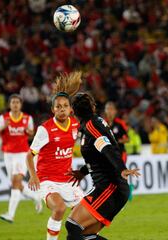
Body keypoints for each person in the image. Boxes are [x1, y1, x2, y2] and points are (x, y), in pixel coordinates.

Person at [65, 92, 140, 240]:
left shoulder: (92, 126)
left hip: (110, 187)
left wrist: (121, 168)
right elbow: (99, 156)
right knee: (86, 235)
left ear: (74, 112)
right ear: (92, 107)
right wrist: (83, 172)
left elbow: (106, 148)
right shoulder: (91, 124)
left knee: (73, 226)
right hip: (109, 186)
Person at [26, 71, 84, 240]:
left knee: (86, 215)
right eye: (58, 107)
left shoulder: (75, 125)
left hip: (68, 180)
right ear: (53, 110)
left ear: (71, 109)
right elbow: (30, 155)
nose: (62, 109)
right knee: (59, 208)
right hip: (48, 180)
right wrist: (33, 176)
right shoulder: (45, 129)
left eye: (65, 106)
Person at [0, 93, 42, 223]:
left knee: (16, 182)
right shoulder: (4, 118)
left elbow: (31, 135)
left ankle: (10, 215)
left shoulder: (27, 118)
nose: (15, 104)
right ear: (9, 104)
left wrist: (28, 132)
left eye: (17, 102)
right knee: (16, 184)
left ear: (21, 104)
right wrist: (3, 127)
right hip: (8, 155)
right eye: (13, 102)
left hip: (22, 154)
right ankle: (36, 197)